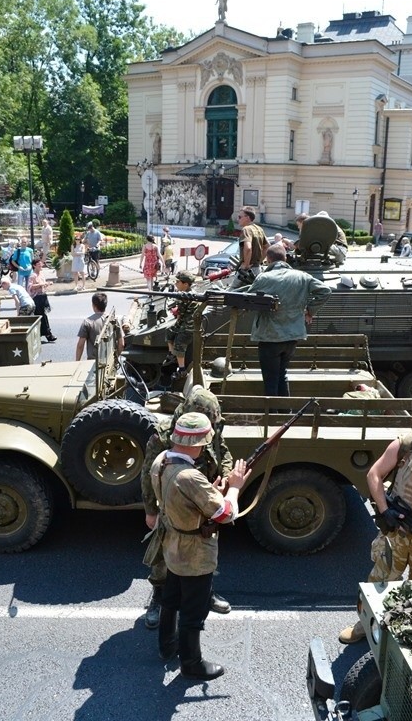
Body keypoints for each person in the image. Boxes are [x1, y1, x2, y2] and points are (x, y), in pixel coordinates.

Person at [339, 396, 412, 645]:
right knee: (381, 581)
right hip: (398, 530)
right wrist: (385, 511)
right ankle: (364, 625)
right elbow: (374, 474)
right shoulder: (404, 445)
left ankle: (411, 632)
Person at [149, 411, 250, 679]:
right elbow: (226, 514)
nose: (205, 447)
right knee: (194, 610)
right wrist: (235, 488)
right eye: (204, 443)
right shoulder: (190, 477)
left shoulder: (161, 461)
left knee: (171, 598)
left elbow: (178, 500)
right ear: (197, 443)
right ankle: (192, 664)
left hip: (172, 544)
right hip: (194, 552)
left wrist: (207, 491)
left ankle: (166, 646)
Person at [141, 386, 234, 628]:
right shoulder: (165, 436)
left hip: (204, 502)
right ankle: (160, 599)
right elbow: (148, 472)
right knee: (165, 556)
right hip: (174, 506)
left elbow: (223, 452)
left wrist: (224, 475)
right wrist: (150, 510)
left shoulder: (210, 427)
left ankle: (206, 592)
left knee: (204, 550)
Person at [241, 243, 331, 396]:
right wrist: (310, 311)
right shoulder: (302, 277)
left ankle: (273, 415)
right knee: (281, 375)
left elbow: (248, 302)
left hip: (270, 337)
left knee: (270, 380)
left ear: (268, 260)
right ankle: (285, 412)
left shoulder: (264, 278)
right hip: (292, 336)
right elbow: (325, 291)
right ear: (285, 258)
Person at [164, 270, 198, 375]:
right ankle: (171, 354)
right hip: (185, 322)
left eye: (178, 282)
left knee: (179, 344)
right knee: (169, 331)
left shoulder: (186, 296)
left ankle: (182, 370)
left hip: (188, 326)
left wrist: (175, 310)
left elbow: (179, 313)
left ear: (186, 284)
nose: (176, 284)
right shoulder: (189, 293)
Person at [75, 291, 123, 360]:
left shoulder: (87, 322)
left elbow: (80, 345)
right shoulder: (114, 320)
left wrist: (77, 361)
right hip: (110, 361)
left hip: (93, 363)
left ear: (94, 306)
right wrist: (115, 358)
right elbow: (121, 344)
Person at [230, 206, 269, 288]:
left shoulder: (246, 229)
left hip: (247, 270)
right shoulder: (259, 229)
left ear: (247, 217)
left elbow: (248, 248)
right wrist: (259, 261)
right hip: (257, 269)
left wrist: (246, 265)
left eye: (240, 217)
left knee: (230, 293)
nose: (238, 219)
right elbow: (267, 246)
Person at [27, 259, 56, 342]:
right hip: (37, 298)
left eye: (41, 265)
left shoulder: (41, 274)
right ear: (34, 266)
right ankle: (47, 334)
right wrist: (41, 284)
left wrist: (47, 284)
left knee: (43, 315)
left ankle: (44, 334)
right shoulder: (33, 275)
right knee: (40, 316)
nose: (40, 266)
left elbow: (43, 284)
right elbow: (30, 287)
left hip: (43, 296)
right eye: (38, 265)